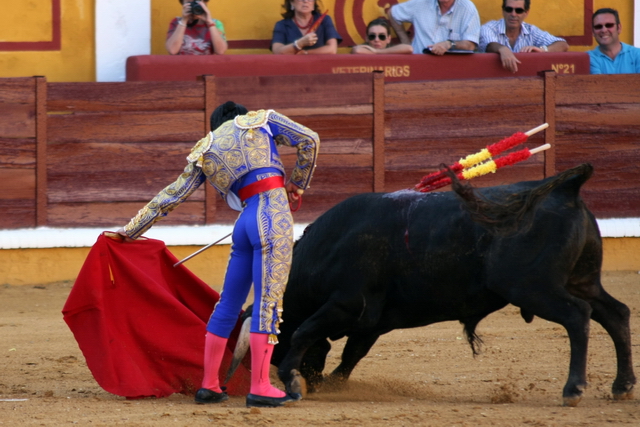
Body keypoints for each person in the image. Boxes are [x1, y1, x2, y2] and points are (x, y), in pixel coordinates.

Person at [116, 102, 320, 408]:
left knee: (227, 304)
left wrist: (130, 230)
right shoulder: (261, 121)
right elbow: (310, 140)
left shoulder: (207, 147)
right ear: (242, 114)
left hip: (244, 223)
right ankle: (261, 386)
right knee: (269, 302)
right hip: (272, 214)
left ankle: (209, 385)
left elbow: (172, 194)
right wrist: (297, 184)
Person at [479, 0, 568, 73]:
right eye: (509, 9)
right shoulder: (489, 28)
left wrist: (542, 50)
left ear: (526, 13)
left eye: (519, 10)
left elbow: (563, 45)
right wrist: (503, 49)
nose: (513, 14)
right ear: (503, 11)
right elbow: (489, 44)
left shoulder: (531, 31)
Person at [389, 0, 481, 55]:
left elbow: (470, 45)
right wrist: (407, 43)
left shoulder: (467, 8)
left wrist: (449, 44)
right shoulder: (421, 3)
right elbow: (392, 13)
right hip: (420, 65)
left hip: (453, 70)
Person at [271, 0, 342, 54]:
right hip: (293, 68)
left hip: (320, 67)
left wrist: (305, 53)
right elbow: (277, 51)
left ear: (313, 4)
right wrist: (299, 44)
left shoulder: (325, 20)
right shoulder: (282, 25)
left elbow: (332, 49)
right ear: (292, 3)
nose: (305, 1)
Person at [588, 8, 640, 74]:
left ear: (619, 28)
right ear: (593, 32)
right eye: (598, 26)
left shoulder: (637, 55)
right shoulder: (588, 58)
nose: (604, 30)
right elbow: (598, 83)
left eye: (609, 25)